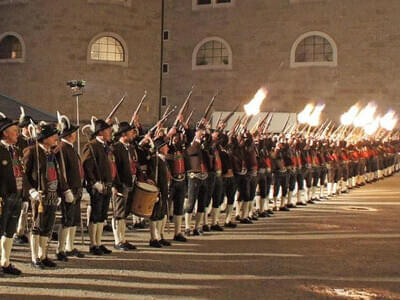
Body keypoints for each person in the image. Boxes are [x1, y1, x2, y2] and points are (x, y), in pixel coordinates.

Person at [24, 122, 66, 269]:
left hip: (53, 195)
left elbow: (57, 173)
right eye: (53, 135)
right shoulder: (32, 151)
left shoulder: (51, 152)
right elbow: (24, 176)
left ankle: (43, 255)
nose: (56, 137)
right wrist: (31, 191)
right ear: (45, 137)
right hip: (39, 197)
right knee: (37, 226)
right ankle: (35, 257)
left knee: (48, 226)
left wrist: (60, 191)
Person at [55, 112, 85, 261]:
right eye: (73, 132)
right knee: (66, 220)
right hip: (69, 189)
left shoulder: (70, 148)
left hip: (77, 188)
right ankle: (60, 249)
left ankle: (69, 246)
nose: (75, 134)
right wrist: (65, 190)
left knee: (74, 220)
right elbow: (61, 172)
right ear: (68, 134)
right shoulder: (61, 149)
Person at [0, 112, 24, 275]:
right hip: (3, 198)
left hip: (16, 196)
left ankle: (5, 261)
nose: (18, 133)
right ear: (5, 133)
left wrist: (26, 194)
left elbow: (20, 172)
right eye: (14, 131)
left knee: (10, 231)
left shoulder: (14, 150)